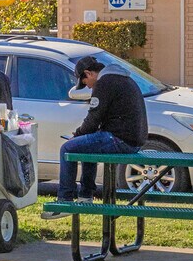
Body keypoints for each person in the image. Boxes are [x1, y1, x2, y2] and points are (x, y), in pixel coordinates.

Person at [41, 55, 148, 219]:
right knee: (87, 144)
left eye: (84, 82)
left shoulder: (104, 83)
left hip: (120, 139)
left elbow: (93, 118)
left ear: (88, 73)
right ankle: (85, 196)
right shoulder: (122, 79)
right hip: (133, 139)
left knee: (67, 148)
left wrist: (75, 136)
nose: (88, 87)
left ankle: (65, 201)